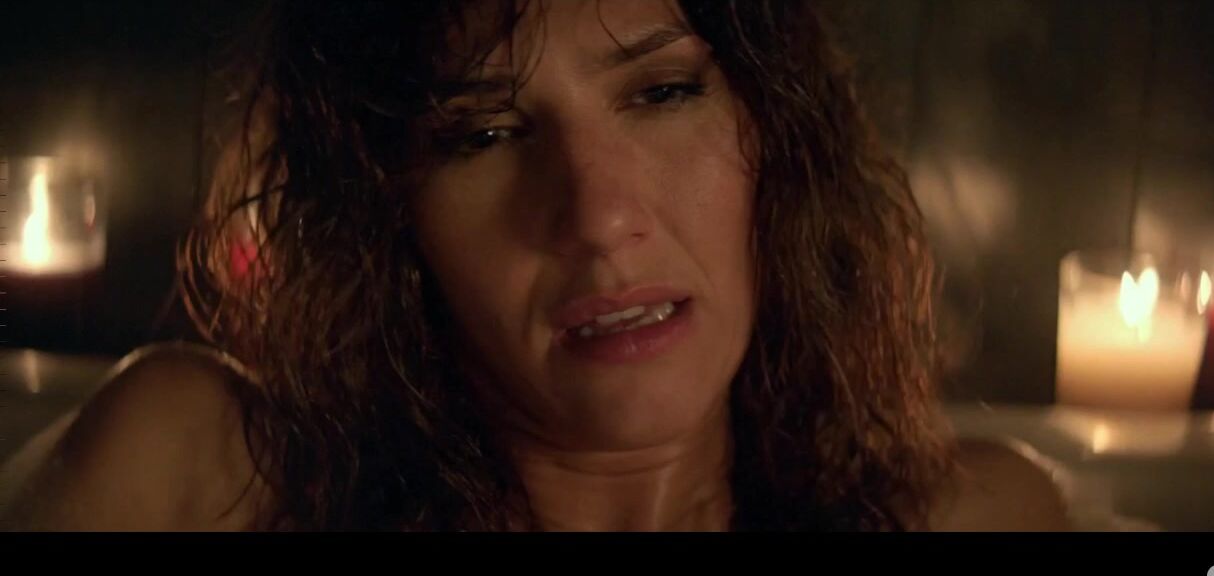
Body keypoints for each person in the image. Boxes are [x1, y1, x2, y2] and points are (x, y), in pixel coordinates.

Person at [0, 0, 1070, 531]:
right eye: (482, 135)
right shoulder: (200, 473)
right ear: (387, 214)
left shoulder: (972, 515)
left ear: (778, 135)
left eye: (661, 93)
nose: (598, 218)